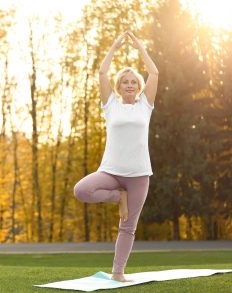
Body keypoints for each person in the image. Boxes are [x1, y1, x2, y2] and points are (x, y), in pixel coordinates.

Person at [73, 30, 159, 282]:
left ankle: (118, 273)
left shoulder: (146, 106)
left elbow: (154, 73)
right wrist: (114, 45)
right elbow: (101, 73)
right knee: (82, 190)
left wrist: (141, 46)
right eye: (125, 82)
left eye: (134, 82)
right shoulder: (110, 105)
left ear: (139, 87)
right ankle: (117, 196)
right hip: (110, 172)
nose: (130, 85)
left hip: (139, 175)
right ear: (118, 86)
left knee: (128, 227)